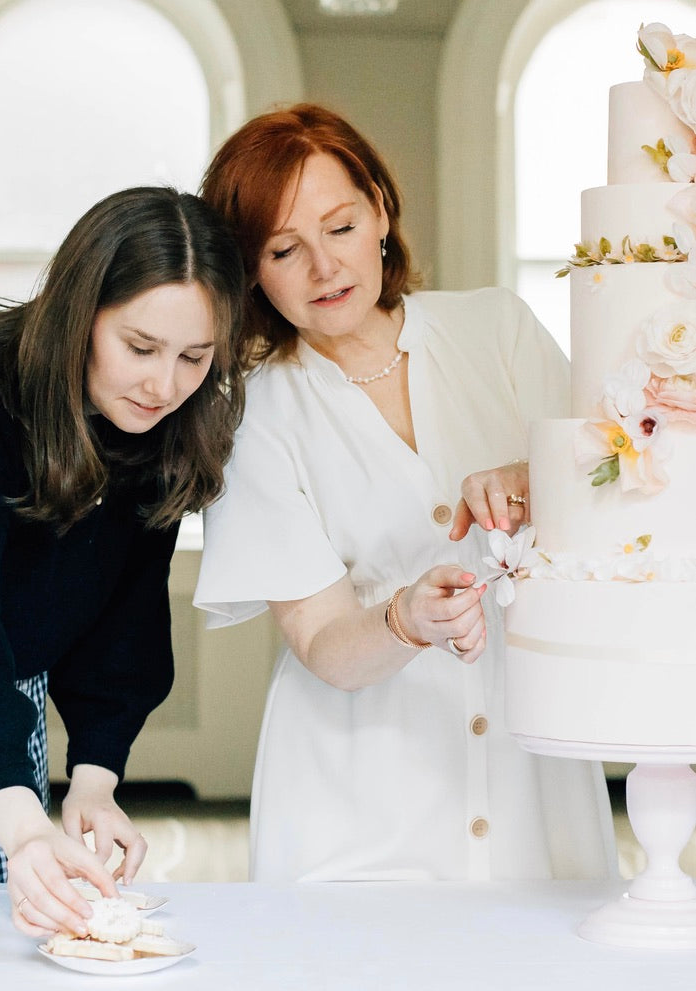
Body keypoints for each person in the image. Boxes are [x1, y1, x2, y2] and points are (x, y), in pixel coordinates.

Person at [194, 104, 617, 882]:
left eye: (341, 227)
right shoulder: (253, 412)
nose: (324, 267)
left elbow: (618, 497)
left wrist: (535, 479)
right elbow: (322, 640)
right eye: (284, 249)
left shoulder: (495, 328)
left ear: (381, 211)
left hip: (531, 767)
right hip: (356, 789)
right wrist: (404, 618)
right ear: (248, 269)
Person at [0, 186, 245, 933]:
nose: (164, 385)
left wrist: (94, 779)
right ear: (79, 311)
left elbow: (126, 616)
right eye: (140, 348)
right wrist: (23, 822)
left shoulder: (159, 426)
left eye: (194, 357)